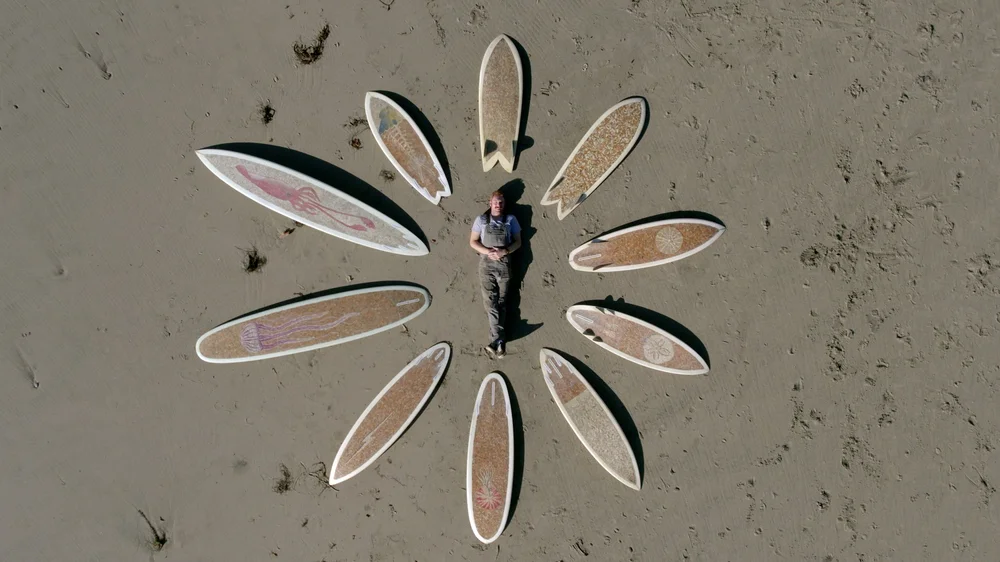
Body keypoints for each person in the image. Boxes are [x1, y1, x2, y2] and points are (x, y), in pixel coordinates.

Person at [469, 190, 522, 359]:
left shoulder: (511, 220)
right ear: (490, 203)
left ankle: (497, 342)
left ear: (503, 205)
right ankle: (498, 340)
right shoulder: (481, 220)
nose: (498, 205)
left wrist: (505, 251)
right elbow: (472, 242)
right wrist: (486, 251)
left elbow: (518, 242)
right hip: (486, 266)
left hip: (505, 265)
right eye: (495, 202)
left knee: (502, 302)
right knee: (490, 303)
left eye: (501, 202)